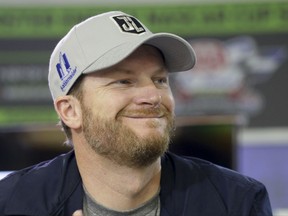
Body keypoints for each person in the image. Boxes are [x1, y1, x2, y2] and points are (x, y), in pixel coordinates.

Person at [0, 11, 272, 216]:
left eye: (160, 80)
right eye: (123, 81)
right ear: (70, 111)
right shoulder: (12, 203)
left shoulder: (238, 201)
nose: (153, 96)